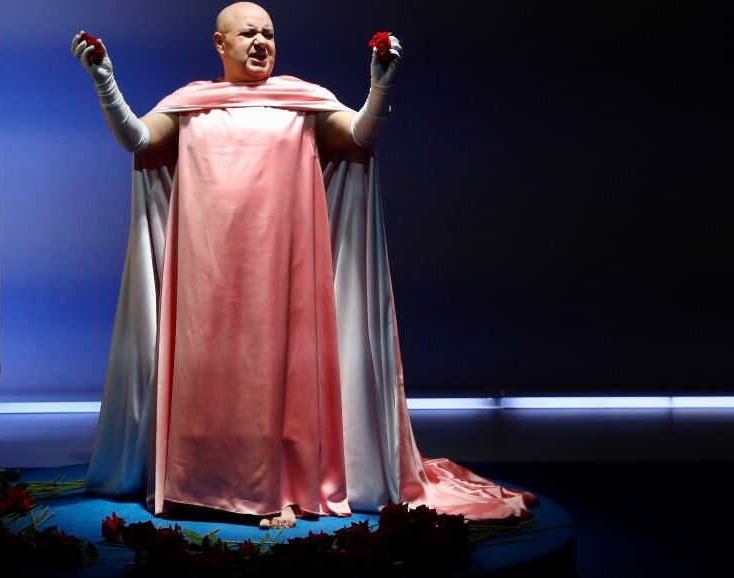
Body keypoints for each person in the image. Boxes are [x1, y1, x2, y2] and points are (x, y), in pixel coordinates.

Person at [73, 2, 538, 530]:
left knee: (277, 377)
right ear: (220, 43)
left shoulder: (302, 101)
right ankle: (202, 484)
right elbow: (137, 139)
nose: (261, 42)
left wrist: (380, 87)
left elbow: (359, 136)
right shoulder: (191, 104)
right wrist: (105, 81)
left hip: (282, 270)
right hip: (208, 273)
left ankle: (282, 487)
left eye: (268, 34)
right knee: (208, 374)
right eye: (248, 33)